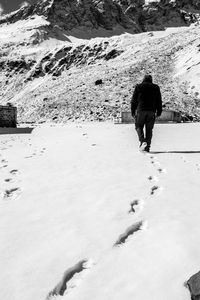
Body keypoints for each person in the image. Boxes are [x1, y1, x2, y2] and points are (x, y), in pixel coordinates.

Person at [131, 74, 162, 152]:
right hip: (151, 111)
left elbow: (133, 100)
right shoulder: (156, 87)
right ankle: (147, 147)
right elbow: (159, 100)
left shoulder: (139, 87)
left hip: (140, 110)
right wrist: (159, 111)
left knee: (138, 126)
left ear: (143, 79)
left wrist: (133, 111)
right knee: (149, 129)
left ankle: (142, 141)